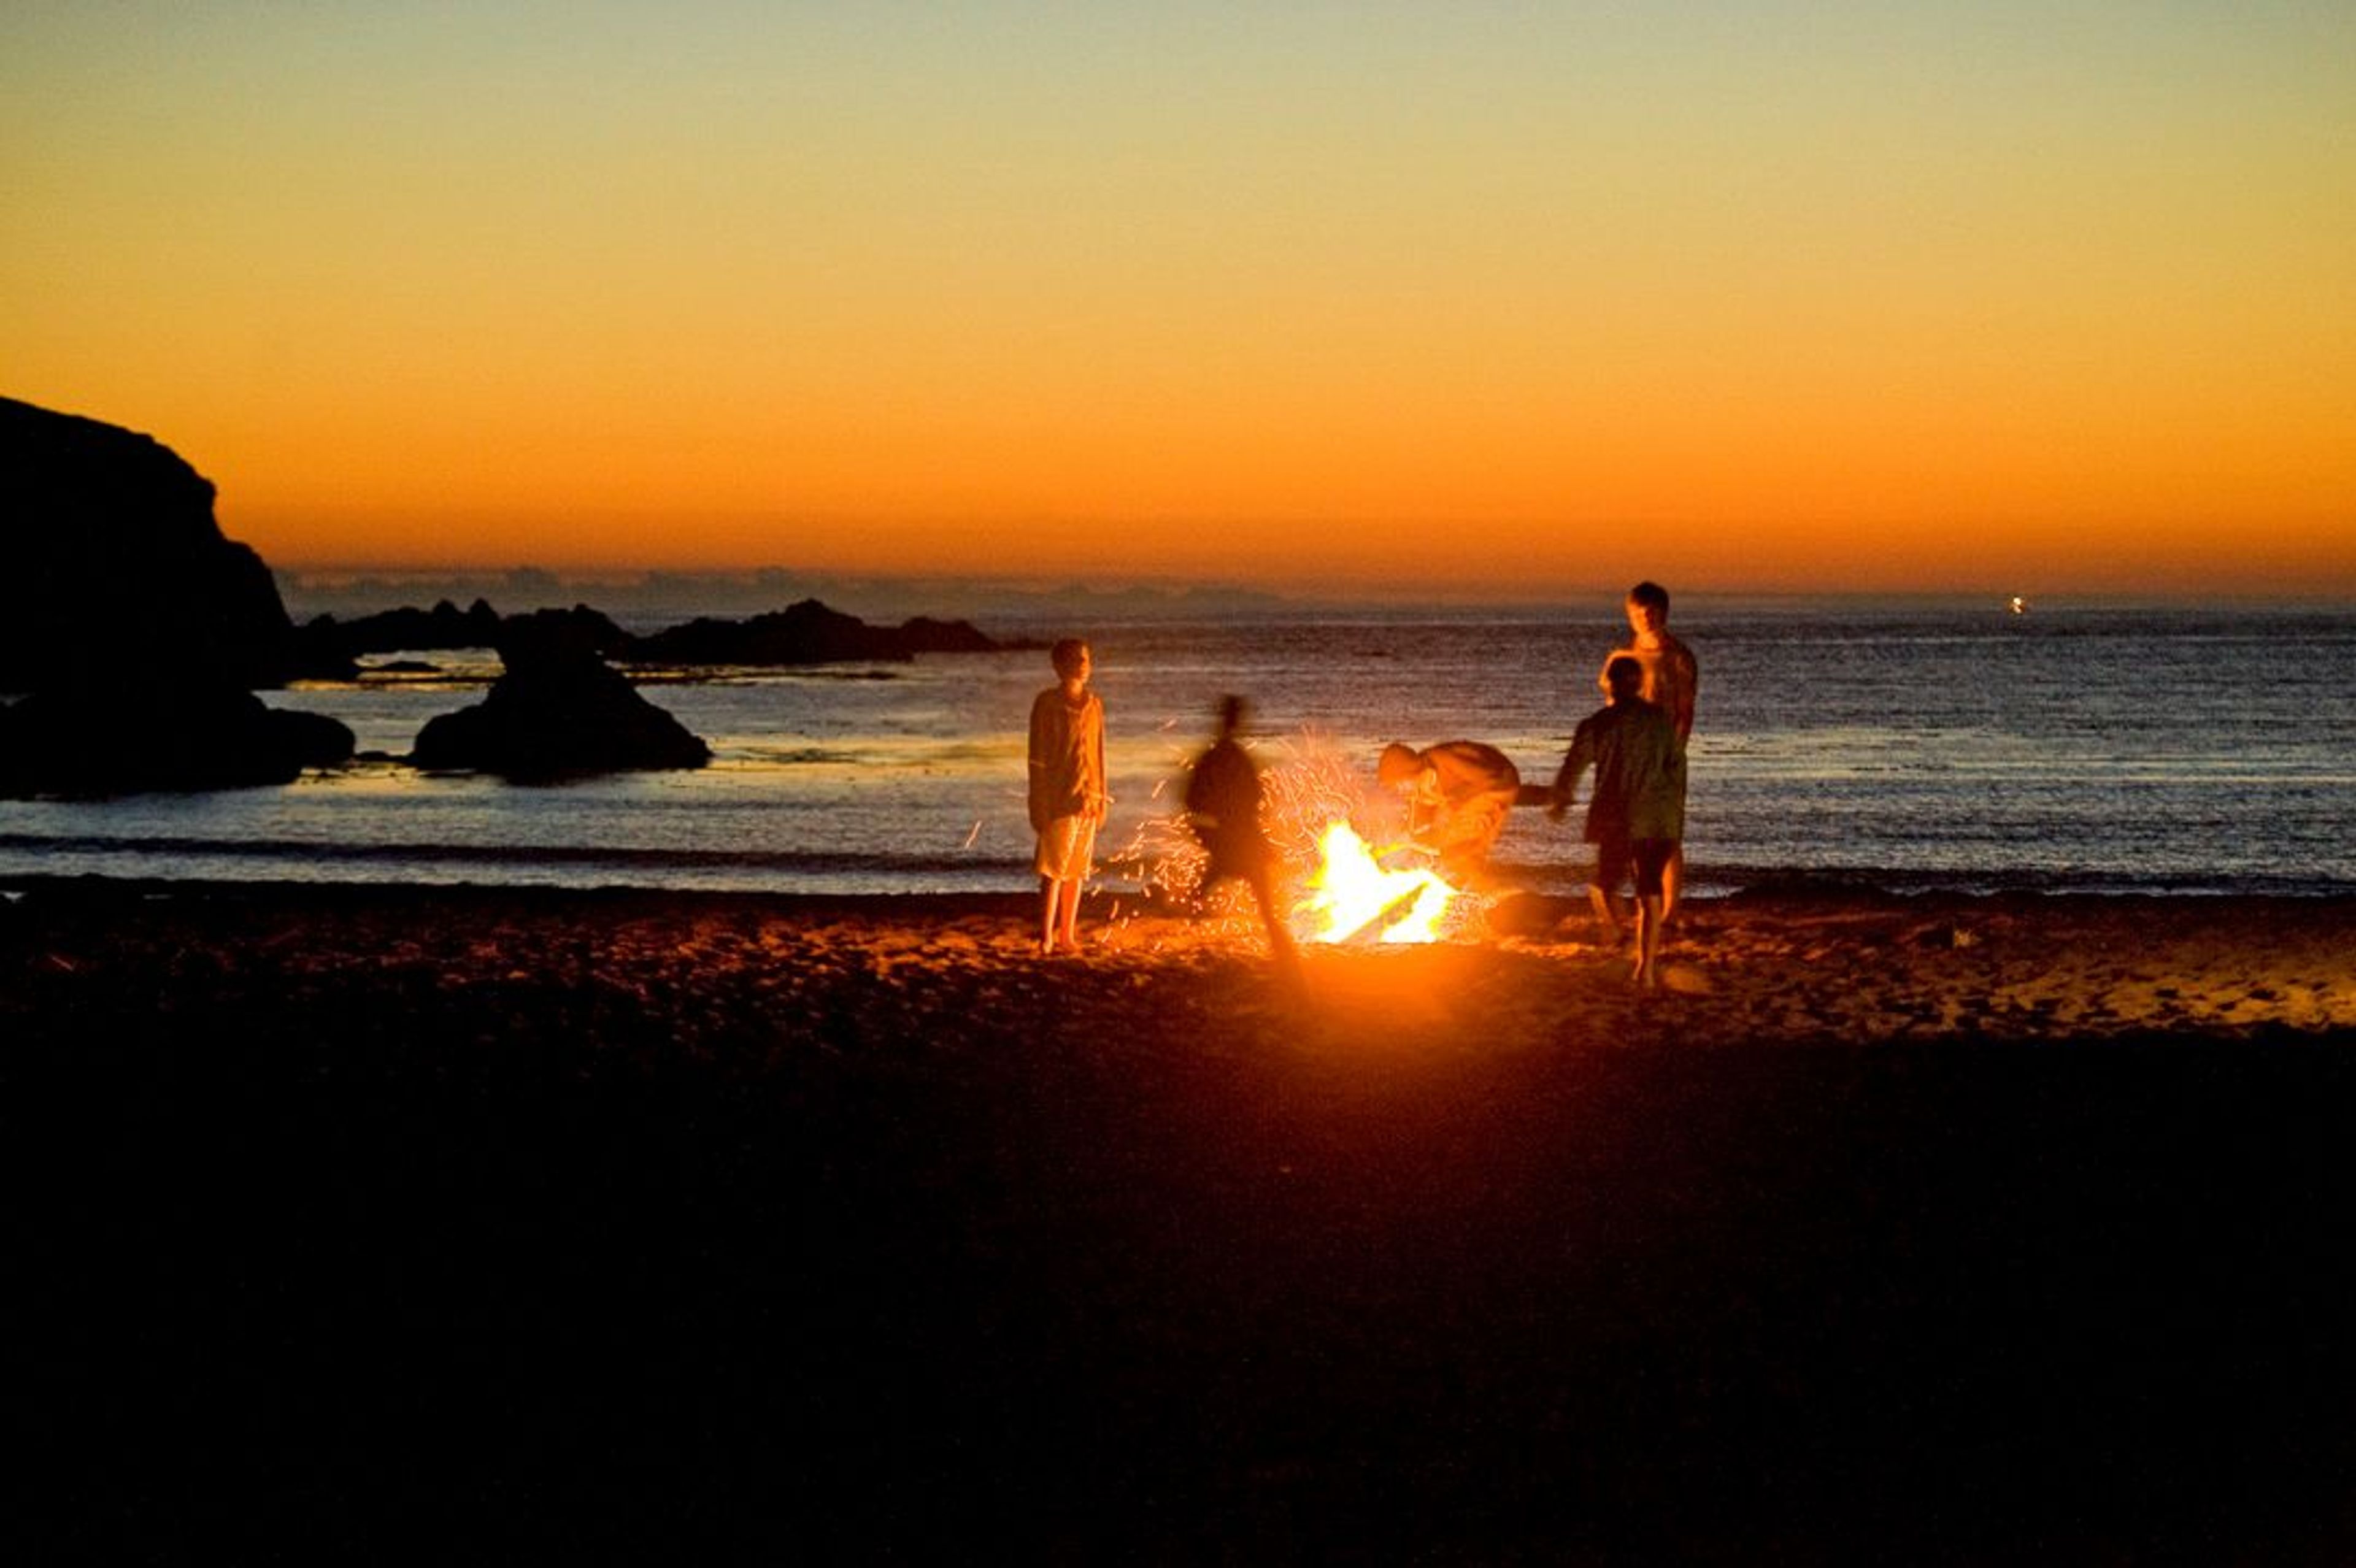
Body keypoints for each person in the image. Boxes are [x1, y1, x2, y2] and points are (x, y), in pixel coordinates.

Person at [1550, 655, 1687, 988]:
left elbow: (1573, 767)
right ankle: (1647, 969)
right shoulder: (1661, 721)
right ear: (1640, 684)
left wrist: (1561, 800)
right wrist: (1675, 814)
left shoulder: (1598, 724)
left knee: (1603, 885)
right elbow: (1677, 768)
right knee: (1649, 888)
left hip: (1620, 818)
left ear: (1608, 684)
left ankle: (1614, 931)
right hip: (1659, 816)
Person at [1598, 580, 1697, 918]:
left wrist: (1674, 755)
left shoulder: (1679, 658)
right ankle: (1648, 906)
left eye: (1652, 613)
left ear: (1664, 614)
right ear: (1630, 616)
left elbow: (1686, 711)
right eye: (1639, 614)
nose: (1646, 619)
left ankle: (1670, 910)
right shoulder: (1621, 657)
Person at [1183, 694, 1299, 969]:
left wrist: (1209, 824)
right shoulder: (1231, 757)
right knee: (1262, 901)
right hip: (1241, 837)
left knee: (1212, 881)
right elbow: (1255, 796)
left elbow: (1192, 799)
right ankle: (1283, 953)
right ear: (1234, 721)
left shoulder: (1214, 757)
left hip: (1231, 836)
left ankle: (1192, 921)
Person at [1027, 637, 1108, 956]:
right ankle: (1046, 936)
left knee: (1077, 871)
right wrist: (1038, 803)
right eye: (1076, 659)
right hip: (1058, 800)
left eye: (1086, 659)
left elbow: (1099, 754)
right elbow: (1037, 758)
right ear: (1059, 666)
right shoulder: (1046, 704)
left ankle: (1067, 935)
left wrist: (1101, 798)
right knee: (1053, 870)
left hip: (1087, 800)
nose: (1083, 665)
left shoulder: (1095, 705)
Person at [1375, 739, 1522, 886]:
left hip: (1495, 783)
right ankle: (1465, 881)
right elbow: (1420, 828)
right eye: (1395, 787)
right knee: (1450, 841)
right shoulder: (1419, 789)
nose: (1400, 791)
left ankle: (1467, 886)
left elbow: (1485, 782)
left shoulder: (1444, 760)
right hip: (1465, 795)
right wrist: (1411, 840)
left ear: (1412, 772)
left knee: (1463, 837)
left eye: (1400, 784)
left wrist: (1452, 817)